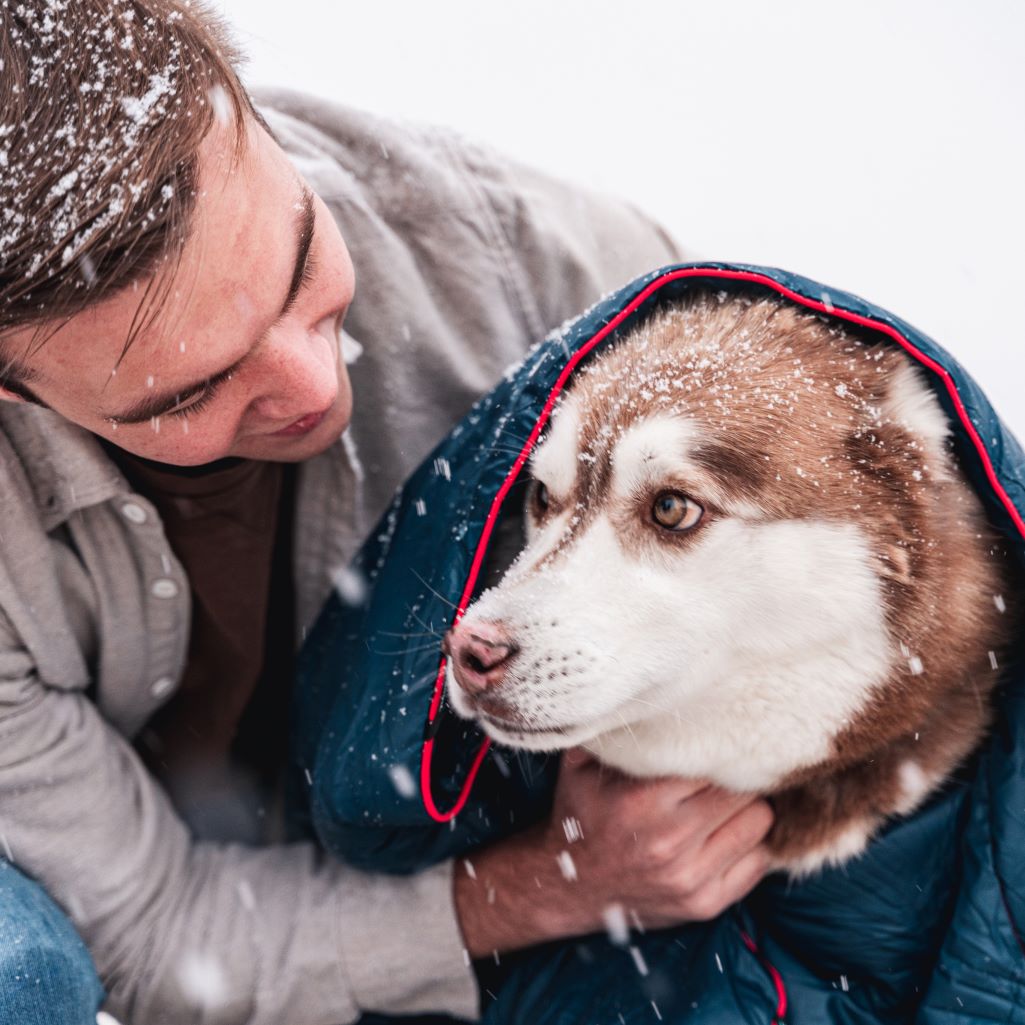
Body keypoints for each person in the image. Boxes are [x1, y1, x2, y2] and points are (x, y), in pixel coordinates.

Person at [0, 2, 774, 1022]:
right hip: (126, 874)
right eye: (188, 393)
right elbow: (159, 928)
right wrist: (552, 881)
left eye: (299, 259)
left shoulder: (515, 253)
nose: (312, 383)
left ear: (249, 109)